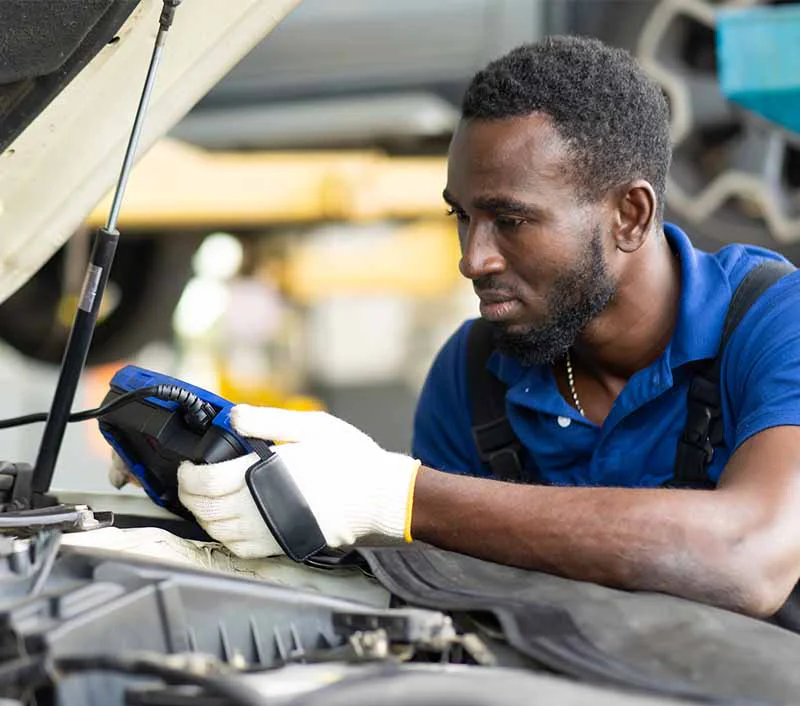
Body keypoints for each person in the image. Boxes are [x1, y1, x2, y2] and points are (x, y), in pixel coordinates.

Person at [173, 35, 800, 620]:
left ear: (630, 216)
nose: (473, 260)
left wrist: (395, 497)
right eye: (463, 217)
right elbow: (443, 611)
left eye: (511, 220)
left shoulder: (776, 324)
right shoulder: (473, 375)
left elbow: (751, 557)